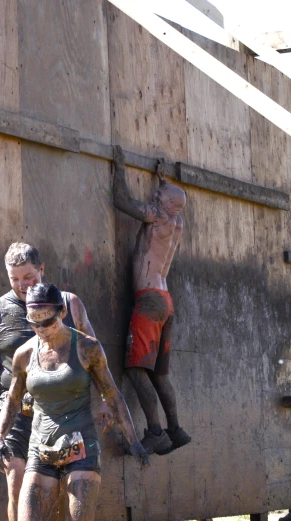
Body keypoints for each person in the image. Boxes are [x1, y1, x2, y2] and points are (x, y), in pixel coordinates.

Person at [0, 243, 109, 521]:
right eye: (14, 279)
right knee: (17, 486)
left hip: (63, 413)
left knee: (64, 493)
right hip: (17, 413)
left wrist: (105, 399)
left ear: (42, 269)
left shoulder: (68, 303)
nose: (22, 285)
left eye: (28, 277)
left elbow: (96, 356)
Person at [0, 283, 148, 521]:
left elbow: (112, 394)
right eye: (34, 322)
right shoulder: (24, 354)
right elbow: (13, 401)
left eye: (47, 321)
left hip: (81, 446)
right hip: (41, 447)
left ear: (62, 312)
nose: (41, 328)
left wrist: (134, 441)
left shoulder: (87, 347)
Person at [111, 145, 191, 455]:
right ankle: (175, 428)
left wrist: (119, 167)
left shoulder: (157, 215)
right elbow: (171, 200)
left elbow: (122, 201)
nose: (153, 200)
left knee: (134, 369)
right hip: (165, 301)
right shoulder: (177, 222)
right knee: (159, 373)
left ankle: (155, 432)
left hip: (148, 301)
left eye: (157, 198)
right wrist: (161, 182)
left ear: (166, 204)